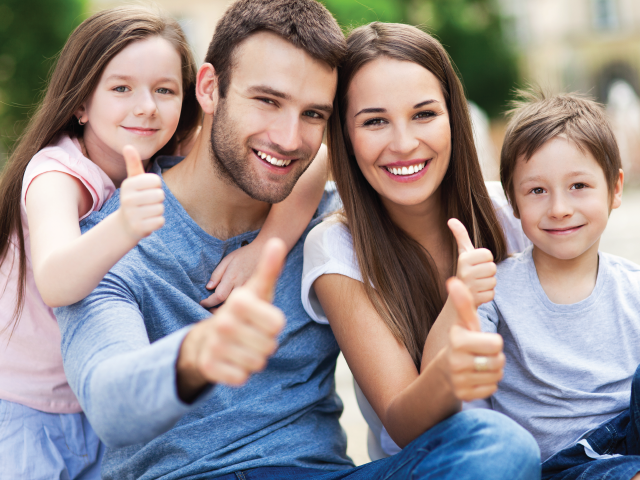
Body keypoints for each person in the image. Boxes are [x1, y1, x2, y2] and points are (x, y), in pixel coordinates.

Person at [54, 1, 540, 478]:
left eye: (313, 114)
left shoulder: (333, 226)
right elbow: (108, 403)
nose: (289, 138)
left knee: (499, 445)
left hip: (319, 472)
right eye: (267, 101)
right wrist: (195, 354)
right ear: (209, 88)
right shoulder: (106, 244)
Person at [0, 5, 326, 479]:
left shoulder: (166, 146)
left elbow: (314, 163)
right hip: (28, 410)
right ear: (80, 103)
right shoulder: (56, 174)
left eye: (164, 90)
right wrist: (124, 227)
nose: (146, 106)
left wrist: (264, 246)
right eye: (121, 88)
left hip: (93, 412)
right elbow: (55, 282)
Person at [301, 21, 539, 476]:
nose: (404, 143)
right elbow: (401, 424)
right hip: (444, 462)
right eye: (374, 121)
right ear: (345, 140)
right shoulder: (337, 247)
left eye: (424, 114)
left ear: (455, 117)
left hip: (558, 448)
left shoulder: (514, 213)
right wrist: (451, 364)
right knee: (501, 445)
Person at [474, 90, 640, 480]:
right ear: (513, 201)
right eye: (537, 191)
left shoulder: (633, 287)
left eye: (579, 186)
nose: (559, 208)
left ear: (616, 188)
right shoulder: (493, 287)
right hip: (561, 467)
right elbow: (461, 386)